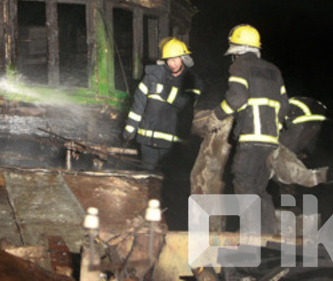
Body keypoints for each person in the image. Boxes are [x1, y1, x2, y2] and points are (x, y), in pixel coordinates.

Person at [207, 24, 290, 235]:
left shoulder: (240, 67)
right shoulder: (274, 70)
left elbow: (237, 98)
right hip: (270, 141)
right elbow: (284, 106)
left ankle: (249, 233)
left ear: (236, 51)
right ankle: (268, 235)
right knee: (260, 188)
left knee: (243, 182)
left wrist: (217, 115)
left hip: (250, 138)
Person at [123, 37, 204, 171]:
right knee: (146, 178)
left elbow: (186, 104)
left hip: (172, 145)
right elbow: (138, 105)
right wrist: (130, 128)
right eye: (169, 59)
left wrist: (164, 92)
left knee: (166, 180)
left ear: (183, 58)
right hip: (147, 140)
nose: (172, 63)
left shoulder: (192, 81)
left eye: (175, 59)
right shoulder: (152, 77)